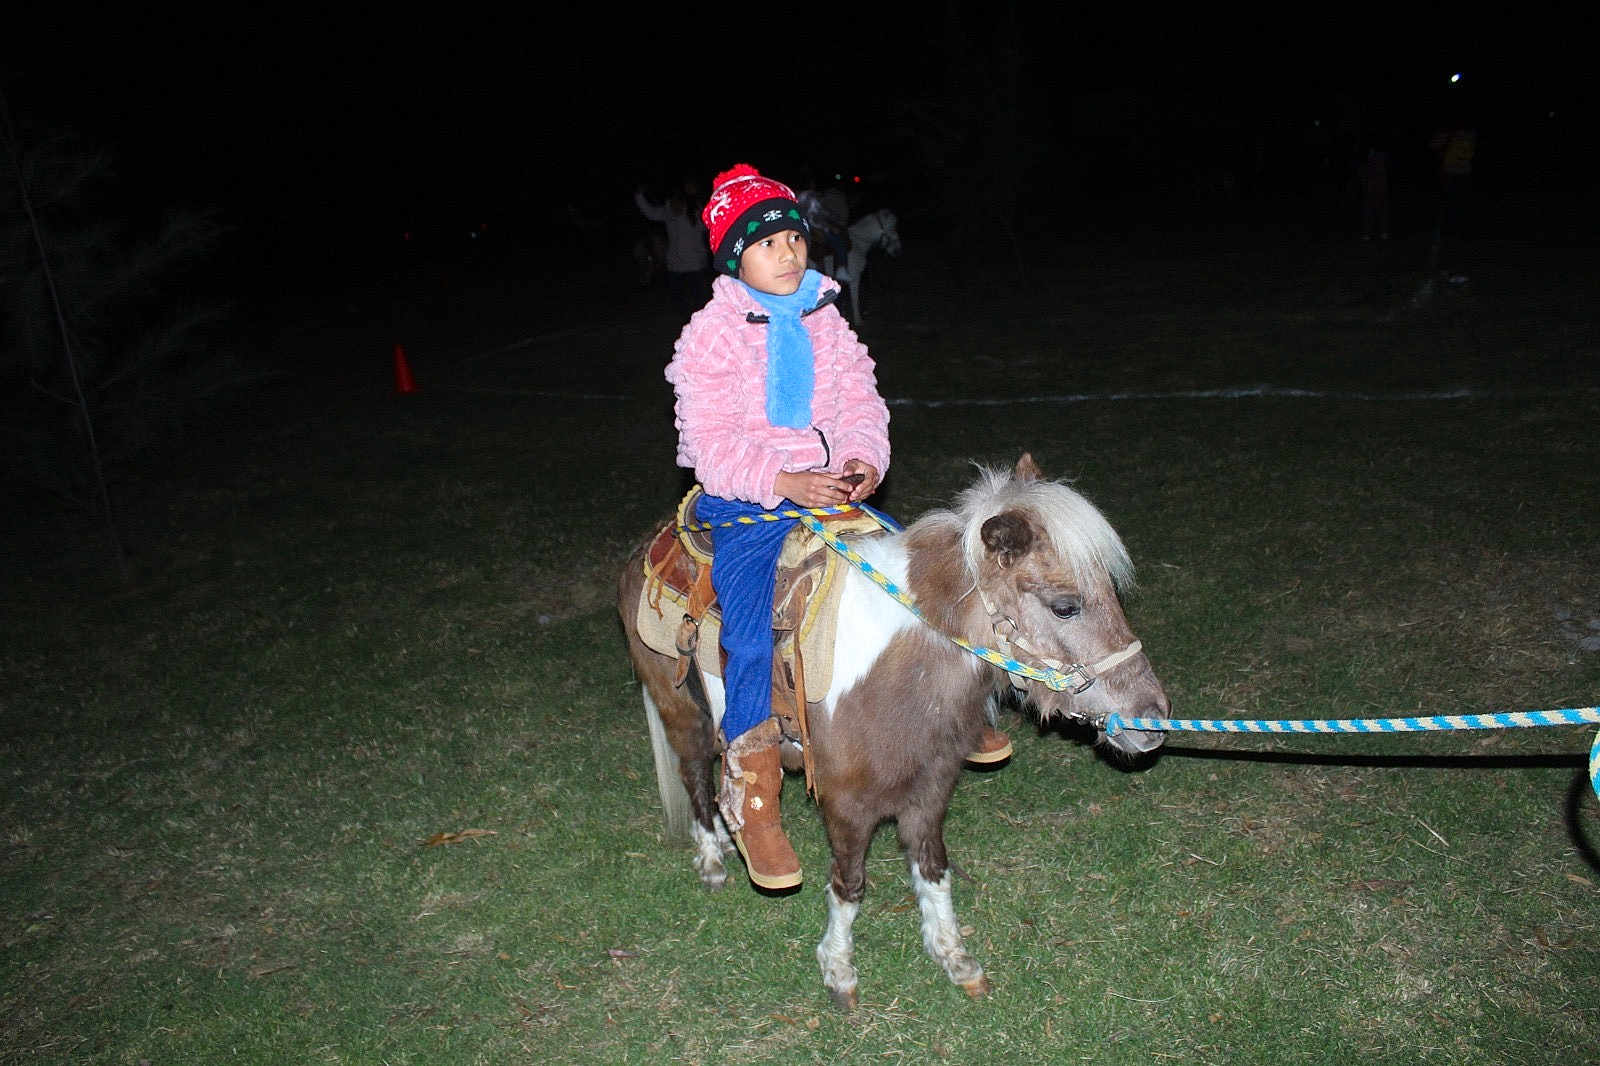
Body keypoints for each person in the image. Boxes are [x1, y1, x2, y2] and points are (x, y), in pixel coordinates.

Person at [665, 164, 1009, 892]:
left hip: (829, 491)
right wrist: (781, 480)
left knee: (917, 568)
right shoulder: (711, 337)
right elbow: (708, 440)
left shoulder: (824, 315)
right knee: (747, 630)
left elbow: (860, 400)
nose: (788, 252)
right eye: (767, 243)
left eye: (794, 237)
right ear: (734, 258)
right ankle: (753, 789)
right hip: (749, 500)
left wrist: (862, 459)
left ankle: (955, 703)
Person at [634, 178, 711, 319]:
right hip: (679, 265)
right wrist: (640, 196)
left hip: (694, 265)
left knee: (696, 305)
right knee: (683, 305)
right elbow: (651, 212)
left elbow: (709, 227)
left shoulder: (698, 211)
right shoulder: (671, 210)